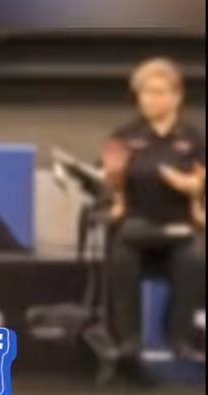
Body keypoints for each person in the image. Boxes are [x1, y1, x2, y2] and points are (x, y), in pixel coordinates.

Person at [101, 57, 206, 366]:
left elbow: (202, 181)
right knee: (122, 254)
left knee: (193, 258)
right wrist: (113, 180)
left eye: (158, 92)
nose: (150, 100)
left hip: (181, 226)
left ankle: (180, 339)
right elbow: (107, 181)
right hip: (137, 224)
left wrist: (192, 186)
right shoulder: (124, 135)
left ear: (176, 97)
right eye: (145, 93)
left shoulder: (194, 137)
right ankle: (129, 341)